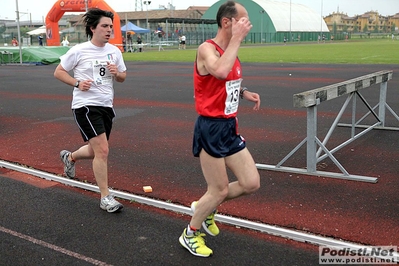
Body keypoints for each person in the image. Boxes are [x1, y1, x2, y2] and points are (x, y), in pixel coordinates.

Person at [178, 0, 261, 257]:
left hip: (229, 126)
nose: (248, 24)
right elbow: (220, 71)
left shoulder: (230, 50)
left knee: (251, 183)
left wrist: (244, 92)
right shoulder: (206, 49)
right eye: (243, 19)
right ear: (227, 22)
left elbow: (225, 81)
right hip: (210, 128)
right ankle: (190, 233)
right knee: (219, 189)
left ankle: (206, 208)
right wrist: (235, 40)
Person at [53, 8, 127, 213]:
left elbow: (123, 77)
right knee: (103, 150)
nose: (109, 30)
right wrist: (77, 83)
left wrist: (116, 73)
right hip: (85, 106)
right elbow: (58, 72)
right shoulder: (79, 50)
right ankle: (105, 197)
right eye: (104, 26)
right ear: (93, 28)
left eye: (111, 27)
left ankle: (70, 157)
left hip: (106, 106)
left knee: (96, 150)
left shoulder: (114, 51)